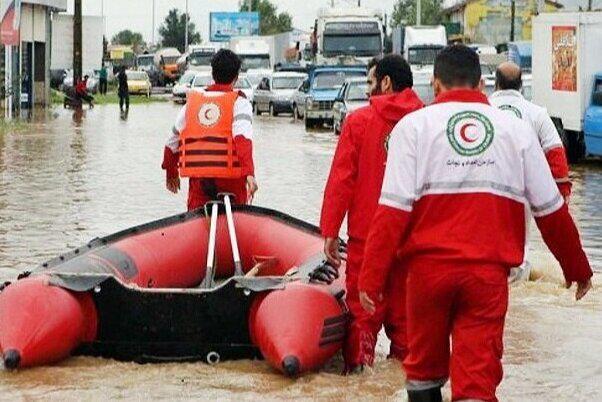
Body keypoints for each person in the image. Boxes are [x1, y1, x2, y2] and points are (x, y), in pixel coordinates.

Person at [358, 45, 592, 402]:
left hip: (425, 276)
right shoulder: (516, 130)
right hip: (487, 277)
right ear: (482, 84)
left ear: (435, 85)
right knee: (476, 382)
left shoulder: (413, 127)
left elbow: (392, 211)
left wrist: (371, 278)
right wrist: (577, 267)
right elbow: (551, 209)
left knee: (422, 373)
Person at [320, 55, 423, 373]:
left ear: (386, 83)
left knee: (362, 322)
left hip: (368, 240)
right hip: (415, 243)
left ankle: (359, 381)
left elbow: (342, 180)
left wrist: (330, 231)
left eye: (370, 82)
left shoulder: (359, 122)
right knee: (408, 329)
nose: (367, 91)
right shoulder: (427, 122)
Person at [489, 61, 572, 282]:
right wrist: (560, 197)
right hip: (521, 192)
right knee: (519, 249)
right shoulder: (537, 114)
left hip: (482, 187)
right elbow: (556, 155)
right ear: (521, 86)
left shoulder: (482, 110)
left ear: (495, 84)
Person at [162, 49, 258, 211]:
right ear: (236, 77)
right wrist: (249, 173)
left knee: (196, 219)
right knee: (237, 220)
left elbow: (172, 142)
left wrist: (171, 172)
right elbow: (242, 139)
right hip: (231, 181)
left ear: (212, 74)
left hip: (200, 181)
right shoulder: (240, 103)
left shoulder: (192, 104)